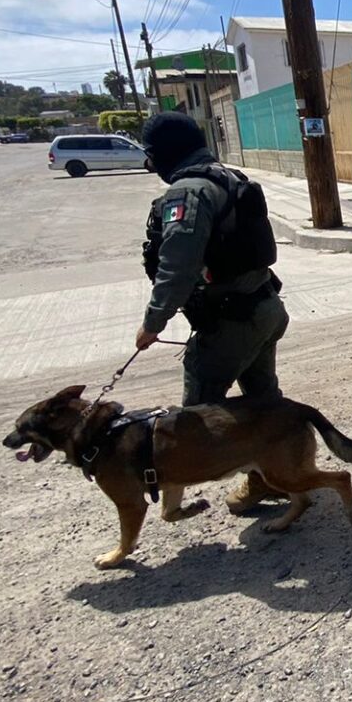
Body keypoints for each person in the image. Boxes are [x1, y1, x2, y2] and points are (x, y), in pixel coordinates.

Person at [137, 112, 289, 508]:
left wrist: (153, 323)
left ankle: (179, 498)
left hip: (231, 322)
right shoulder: (230, 177)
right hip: (263, 309)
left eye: (150, 155)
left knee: (195, 418)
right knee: (263, 401)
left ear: (165, 153)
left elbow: (178, 265)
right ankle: (274, 476)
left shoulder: (188, 192)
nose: (149, 165)